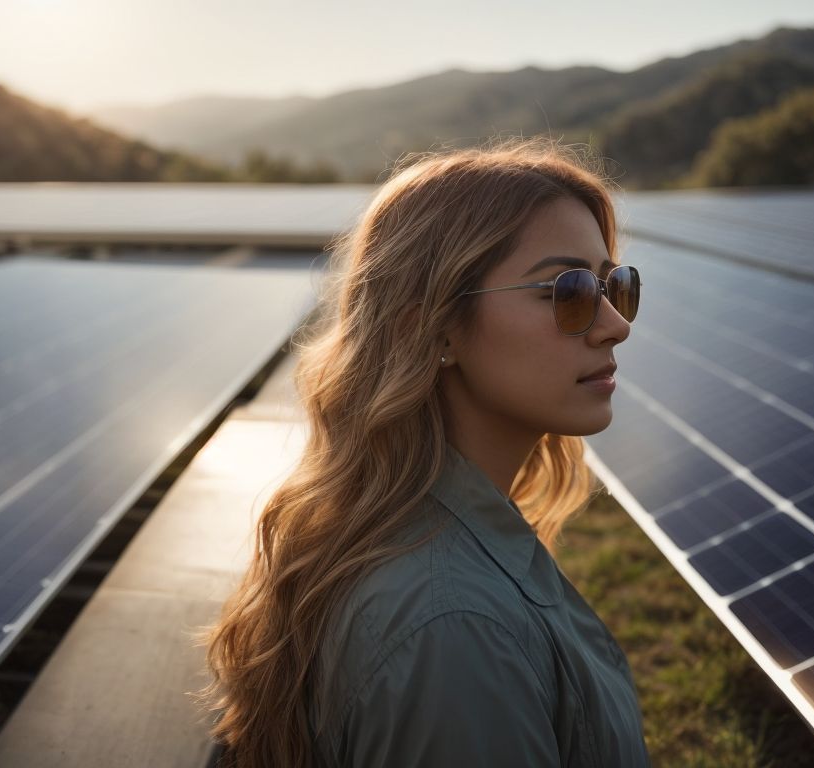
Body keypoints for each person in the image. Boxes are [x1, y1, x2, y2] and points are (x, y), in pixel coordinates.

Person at [197, 137, 649, 767]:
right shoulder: (454, 632)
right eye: (565, 290)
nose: (615, 323)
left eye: (615, 284)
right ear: (430, 329)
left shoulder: (427, 548)